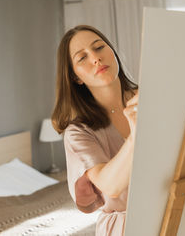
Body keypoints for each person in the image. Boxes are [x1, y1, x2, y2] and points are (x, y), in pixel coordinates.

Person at [51, 25, 138, 236]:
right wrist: (137, 134)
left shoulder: (149, 97)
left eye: (99, 47)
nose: (96, 58)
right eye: (82, 58)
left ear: (112, 52)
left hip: (178, 209)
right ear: (76, 77)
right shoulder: (78, 132)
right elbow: (111, 186)